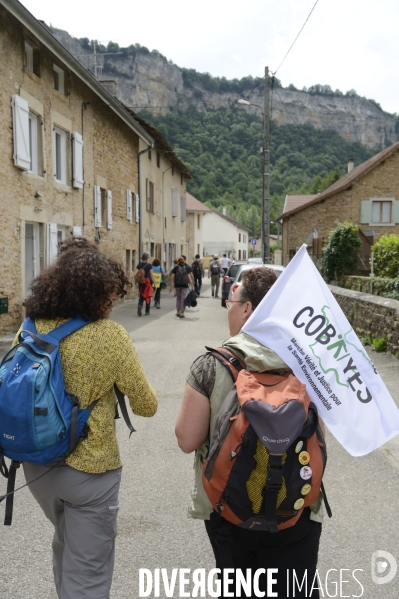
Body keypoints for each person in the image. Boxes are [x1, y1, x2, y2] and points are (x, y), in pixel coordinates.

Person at [20, 237, 158, 599]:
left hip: (36, 467)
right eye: (110, 296)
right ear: (94, 294)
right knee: (89, 574)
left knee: (65, 546)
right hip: (89, 473)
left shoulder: (31, 325)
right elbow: (146, 405)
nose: (113, 304)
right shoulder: (109, 335)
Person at [175, 267, 324, 598]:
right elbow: (320, 436)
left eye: (231, 299)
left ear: (248, 308)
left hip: (228, 506)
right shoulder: (308, 363)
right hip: (296, 504)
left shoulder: (210, 365)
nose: (228, 306)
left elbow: (187, 440)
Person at [134, 251, 155, 316]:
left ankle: (140, 305)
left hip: (141, 283)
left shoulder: (139, 265)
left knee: (141, 296)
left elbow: (135, 274)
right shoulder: (149, 265)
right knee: (148, 296)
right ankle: (147, 311)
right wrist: (155, 284)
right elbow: (152, 275)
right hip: (148, 283)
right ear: (147, 258)